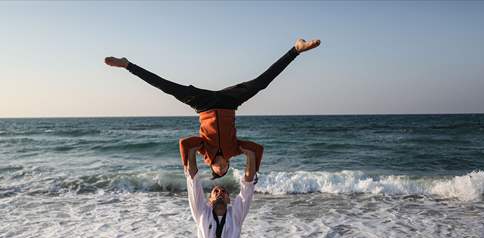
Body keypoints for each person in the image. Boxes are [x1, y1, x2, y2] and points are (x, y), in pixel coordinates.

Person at [104, 38, 321, 179]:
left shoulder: (202, 150)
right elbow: (258, 149)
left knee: (166, 86)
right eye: (225, 169)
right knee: (261, 83)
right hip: (229, 103)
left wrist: (189, 167)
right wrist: (252, 168)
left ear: (213, 169)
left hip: (203, 105)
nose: (223, 168)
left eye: (219, 171)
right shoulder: (235, 150)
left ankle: (127, 65)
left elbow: (183, 143)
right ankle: (296, 49)